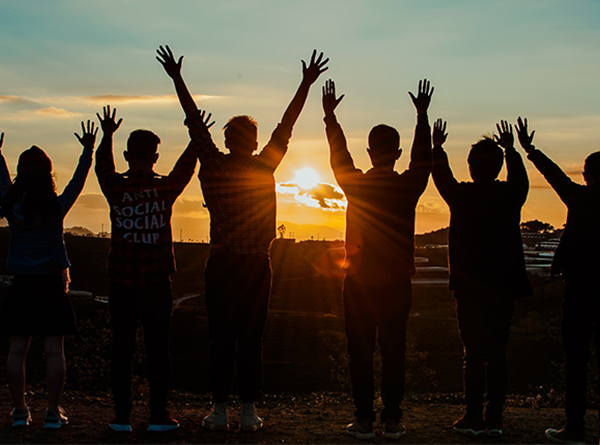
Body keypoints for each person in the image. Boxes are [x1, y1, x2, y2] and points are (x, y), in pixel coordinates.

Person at [156, 45, 328, 432]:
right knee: (252, 338)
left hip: (221, 264)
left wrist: (177, 78)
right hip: (255, 266)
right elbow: (287, 125)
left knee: (221, 338)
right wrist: (305, 83)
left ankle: (218, 410)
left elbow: (193, 123)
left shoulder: (213, 164)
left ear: (227, 139)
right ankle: (249, 411)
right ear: (252, 141)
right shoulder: (264, 164)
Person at [321, 78, 432, 439]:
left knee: (360, 353)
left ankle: (365, 420)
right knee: (394, 351)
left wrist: (330, 119)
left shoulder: (356, 184)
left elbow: (340, 157)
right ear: (396, 152)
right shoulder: (407, 186)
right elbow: (423, 161)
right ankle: (393, 420)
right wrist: (422, 117)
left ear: (369, 152)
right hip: (398, 282)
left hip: (359, 283)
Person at [95, 105, 205, 432]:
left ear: (128, 155)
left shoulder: (115, 189)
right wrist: (195, 136)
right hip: (157, 284)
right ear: (156, 157)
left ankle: (121, 417)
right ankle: (158, 415)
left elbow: (102, 166)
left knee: (122, 350)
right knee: (159, 351)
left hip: (121, 283)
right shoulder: (164, 189)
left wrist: (106, 136)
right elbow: (186, 167)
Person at [431, 119, 531, 437]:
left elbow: (441, 176)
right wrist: (512, 150)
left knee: (472, 353)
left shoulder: (462, 197)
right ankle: (495, 419)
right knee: (497, 350)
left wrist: (437, 147)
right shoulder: (510, 195)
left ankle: (473, 417)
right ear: (499, 167)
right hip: (503, 286)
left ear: (471, 167)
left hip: (470, 287)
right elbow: (521, 180)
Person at [0, 121, 96, 429]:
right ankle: (53, 413)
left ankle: (19, 411)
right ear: (47, 172)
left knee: (17, 350)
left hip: (22, 284)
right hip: (53, 284)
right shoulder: (56, 207)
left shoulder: (10, 205)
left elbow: (2, 181)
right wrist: (87, 152)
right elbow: (78, 183)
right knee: (54, 351)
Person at [515, 118, 600, 445]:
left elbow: (554, 177)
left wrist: (530, 150)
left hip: (579, 290)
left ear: (586, 175)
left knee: (576, 360)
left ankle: (575, 428)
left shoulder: (580, 198)